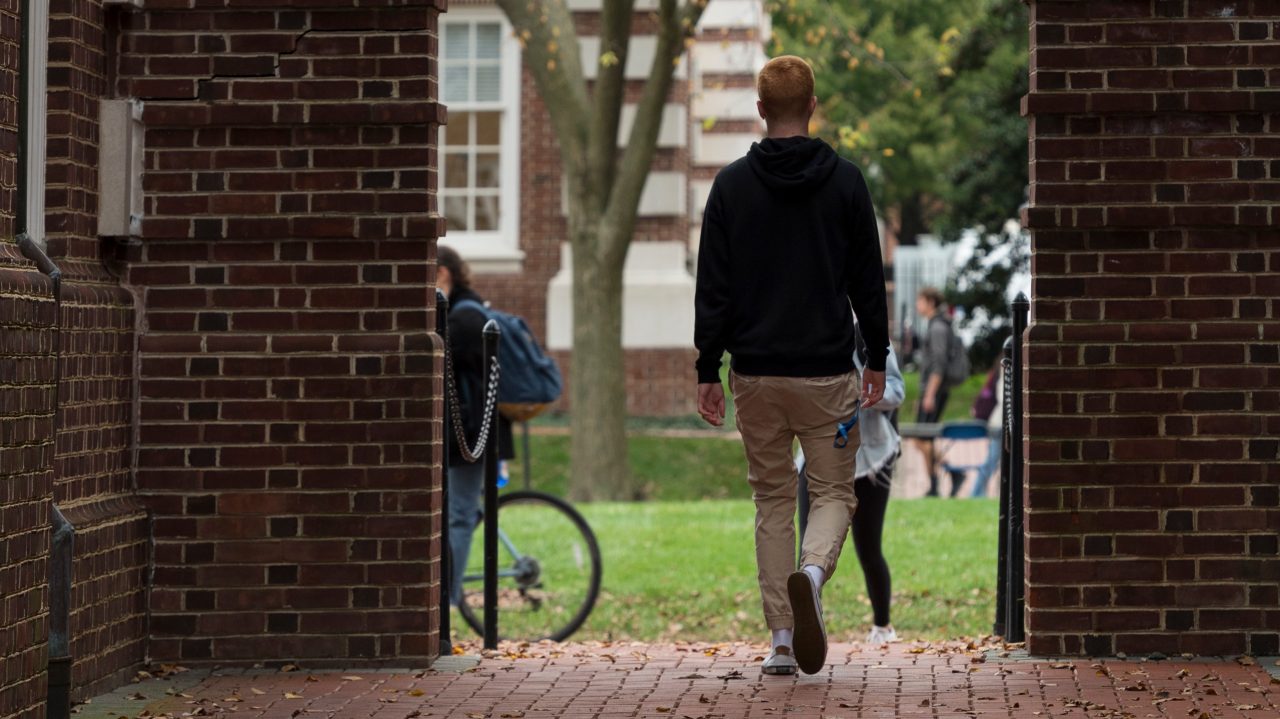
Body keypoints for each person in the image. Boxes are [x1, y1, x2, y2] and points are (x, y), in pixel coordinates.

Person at [693, 55, 889, 677]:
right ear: (811, 105)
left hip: (754, 375)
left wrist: (707, 367)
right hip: (827, 372)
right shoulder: (847, 182)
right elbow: (867, 281)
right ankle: (811, 572)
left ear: (760, 109)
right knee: (833, 492)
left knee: (772, 499)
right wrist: (876, 358)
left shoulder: (730, 187)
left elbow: (713, 287)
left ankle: (781, 638)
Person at [796, 327, 905, 644]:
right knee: (809, 550)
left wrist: (863, 390)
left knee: (868, 547)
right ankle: (803, 630)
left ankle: (882, 627)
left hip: (869, 460)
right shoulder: (806, 336)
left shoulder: (867, 337)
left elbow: (897, 391)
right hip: (817, 458)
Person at [437, 245, 515, 608]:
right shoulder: (470, 311)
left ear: (442, 275)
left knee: (456, 518)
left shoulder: (461, 320)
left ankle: (448, 603)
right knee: (461, 511)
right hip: (475, 432)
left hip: (468, 436)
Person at [912, 287, 959, 497]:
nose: (917, 305)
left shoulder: (938, 327)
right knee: (921, 439)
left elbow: (939, 364)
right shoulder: (935, 325)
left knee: (924, 439)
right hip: (930, 390)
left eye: (919, 300)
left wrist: (930, 394)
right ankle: (949, 475)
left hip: (935, 391)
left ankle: (936, 484)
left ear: (930, 302)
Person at [969, 364, 1003, 498]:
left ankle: (978, 492)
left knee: (992, 460)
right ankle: (976, 493)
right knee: (991, 460)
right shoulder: (1005, 367)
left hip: (998, 422)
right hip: (999, 423)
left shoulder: (998, 370)